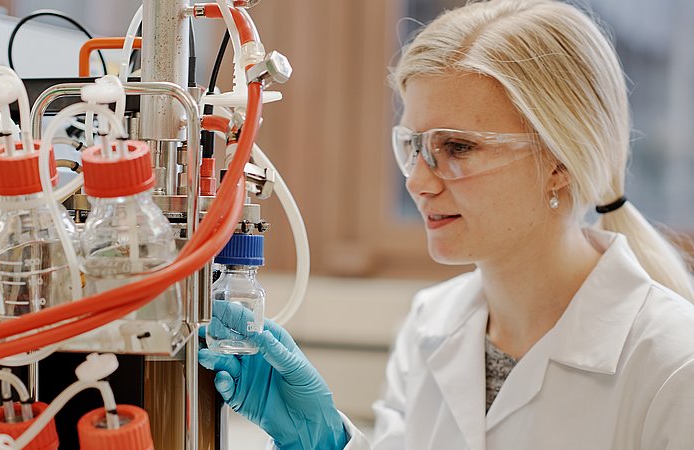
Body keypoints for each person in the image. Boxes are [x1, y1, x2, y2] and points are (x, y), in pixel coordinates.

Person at [198, 0, 694, 448]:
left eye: (456, 148)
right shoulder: (430, 323)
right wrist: (324, 442)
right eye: (413, 146)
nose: (418, 182)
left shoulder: (673, 364)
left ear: (561, 161)